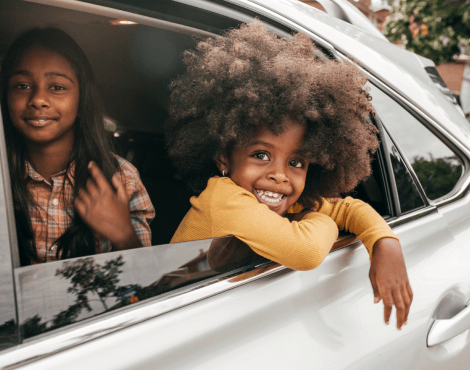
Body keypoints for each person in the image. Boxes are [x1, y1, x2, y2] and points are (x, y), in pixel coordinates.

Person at [166, 21, 412, 329]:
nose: (280, 175)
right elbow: (306, 251)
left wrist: (384, 241)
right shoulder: (224, 199)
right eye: (261, 155)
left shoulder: (283, 200)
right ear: (223, 159)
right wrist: (321, 219)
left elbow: (348, 207)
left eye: (297, 162)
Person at [0, 28, 155, 266]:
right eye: (22, 85)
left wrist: (123, 234)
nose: (38, 99)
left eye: (57, 87)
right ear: (5, 96)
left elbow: (145, 283)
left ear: (81, 102)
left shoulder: (122, 179)